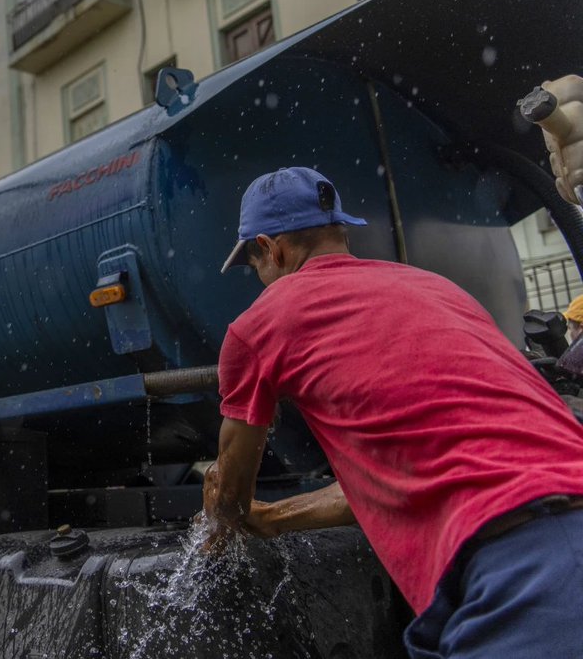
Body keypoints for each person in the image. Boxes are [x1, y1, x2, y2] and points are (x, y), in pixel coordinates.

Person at [202, 166, 583, 659]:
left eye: (257, 266)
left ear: (271, 249)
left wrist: (219, 513)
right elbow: (410, 472)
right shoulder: (437, 289)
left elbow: (229, 502)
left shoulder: (259, 327)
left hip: (529, 566)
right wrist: (276, 518)